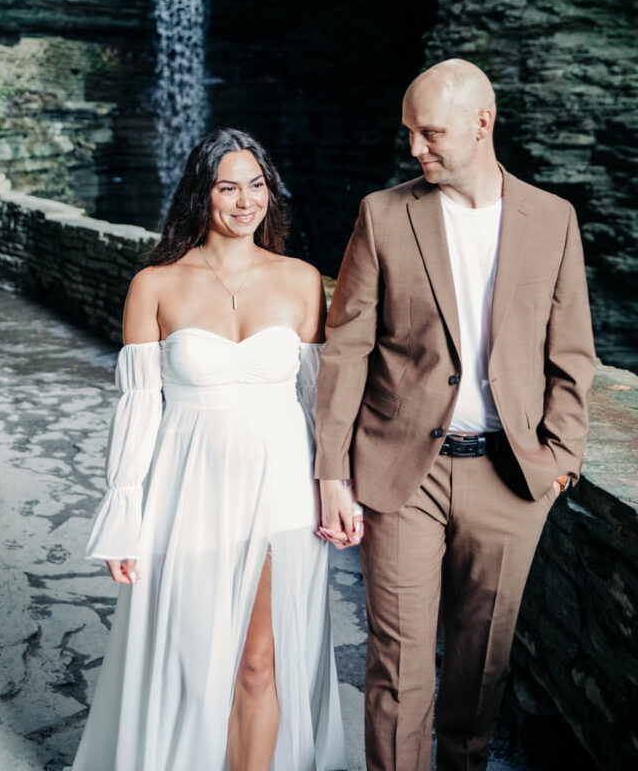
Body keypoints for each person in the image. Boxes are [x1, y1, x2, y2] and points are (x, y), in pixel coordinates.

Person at [315, 58, 596, 771]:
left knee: (481, 671)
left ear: (482, 123)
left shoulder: (553, 219)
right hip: (400, 473)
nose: (416, 150)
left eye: (431, 133)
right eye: (409, 133)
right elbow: (346, 348)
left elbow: (573, 354)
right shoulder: (383, 215)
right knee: (399, 667)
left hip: (510, 477)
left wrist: (561, 460)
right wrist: (332, 476)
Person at [70, 127, 346, 771]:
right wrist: (123, 514)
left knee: (258, 662)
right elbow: (138, 408)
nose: (246, 201)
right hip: (187, 486)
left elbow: (317, 401)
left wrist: (336, 486)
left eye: (257, 186)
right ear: (202, 195)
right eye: (229, 187)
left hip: (282, 489)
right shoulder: (156, 286)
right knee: (193, 658)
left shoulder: (303, 281)